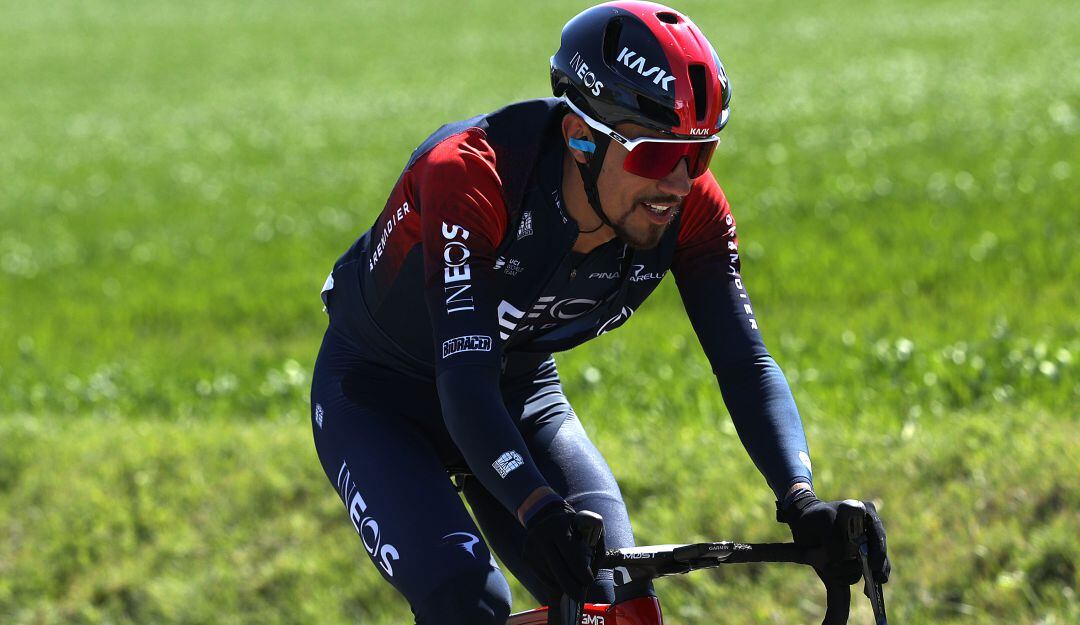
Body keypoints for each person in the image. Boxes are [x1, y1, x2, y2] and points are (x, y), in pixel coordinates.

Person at [309, 2, 890, 623]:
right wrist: (536, 507)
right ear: (579, 138)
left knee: (616, 601)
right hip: (380, 400)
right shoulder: (471, 177)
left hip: (516, 395)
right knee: (466, 599)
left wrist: (801, 500)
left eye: (698, 155)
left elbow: (745, 362)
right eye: (654, 155)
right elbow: (464, 382)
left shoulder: (691, 209)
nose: (678, 183)